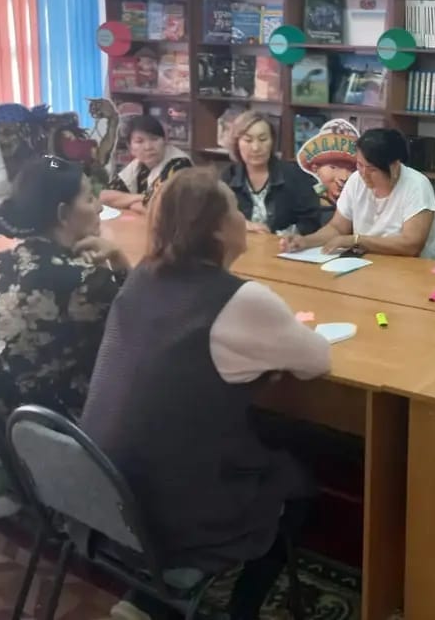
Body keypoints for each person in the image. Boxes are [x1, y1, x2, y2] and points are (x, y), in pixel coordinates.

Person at [81, 168, 331, 620]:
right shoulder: (242, 299)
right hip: (175, 511)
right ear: (216, 228)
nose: (243, 218)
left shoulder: (142, 275)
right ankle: (237, 611)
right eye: (234, 209)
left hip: (104, 492)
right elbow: (317, 361)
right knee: (296, 479)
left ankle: (146, 597)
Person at [0, 155, 129, 423]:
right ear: (63, 214)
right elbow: (136, 337)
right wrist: (119, 260)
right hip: (34, 429)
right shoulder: (87, 280)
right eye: (89, 199)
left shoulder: (3, 260)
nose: (98, 207)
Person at [281, 127, 435, 260]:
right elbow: (337, 228)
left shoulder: (416, 185)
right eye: (359, 165)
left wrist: (357, 240)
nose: (364, 174)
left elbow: (411, 245)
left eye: (372, 169)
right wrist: (305, 241)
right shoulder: (356, 180)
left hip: (418, 269)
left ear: (394, 167)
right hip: (369, 263)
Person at [221, 110, 322, 235]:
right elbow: (216, 218)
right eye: (248, 140)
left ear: (272, 141)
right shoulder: (228, 178)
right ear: (237, 144)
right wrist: (244, 225)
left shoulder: (295, 176)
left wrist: (285, 235)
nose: (256, 147)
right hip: (242, 245)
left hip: (281, 245)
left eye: (263, 139)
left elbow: (311, 222)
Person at [100, 115, 191, 212]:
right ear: (130, 147)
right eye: (139, 141)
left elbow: (160, 209)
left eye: (154, 139)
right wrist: (143, 198)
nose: (148, 147)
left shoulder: (179, 164)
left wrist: (130, 203)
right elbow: (103, 196)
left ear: (165, 141)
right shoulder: (139, 164)